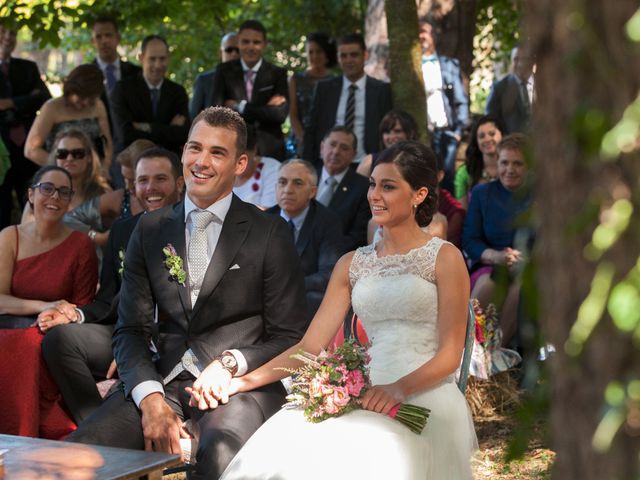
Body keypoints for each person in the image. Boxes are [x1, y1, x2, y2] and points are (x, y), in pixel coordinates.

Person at [67, 106, 309, 479]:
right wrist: (149, 399)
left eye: (217, 152)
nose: (201, 161)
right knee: (78, 456)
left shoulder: (269, 233)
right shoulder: (148, 230)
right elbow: (130, 330)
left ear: (240, 163)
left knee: (218, 460)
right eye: (195, 148)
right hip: (162, 382)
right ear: (183, 153)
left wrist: (231, 363)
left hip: (238, 392)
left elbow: (289, 335)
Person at [220, 140, 477, 480]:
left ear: (418, 195)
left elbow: (449, 356)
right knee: (287, 454)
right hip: (357, 390)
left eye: (388, 186)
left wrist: (397, 389)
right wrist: (245, 381)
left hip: (421, 392)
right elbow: (309, 348)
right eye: (372, 184)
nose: (374, 195)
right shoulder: (352, 263)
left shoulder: (444, 257)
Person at [41, 147, 184, 424]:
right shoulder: (122, 230)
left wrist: (140, 346)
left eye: (160, 179)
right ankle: (95, 424)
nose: (150, 188)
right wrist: (75, 314)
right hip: (124, 332)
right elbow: (108, 299)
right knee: (60, 339)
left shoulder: (192, 227)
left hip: (172, 339)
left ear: (179, 183)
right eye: (142, 180)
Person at [0, 165, 98, 438]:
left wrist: (58, 313)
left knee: (29, 344)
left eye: (63, 192)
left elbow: (83, 306)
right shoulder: (10, 237)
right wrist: (43, 305)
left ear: (70, 201)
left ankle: (24, 431)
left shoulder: (81, 245)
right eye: (47, 189)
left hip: (53, 335)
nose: (54, 197)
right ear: (31, 194)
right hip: (10, 325)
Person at [462, 133, 533, 346]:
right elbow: (470, 240)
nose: (510, 169)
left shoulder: (539, 196)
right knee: (489, 284)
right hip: (490, 262)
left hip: (529, 267)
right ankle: (466, 348)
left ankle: (496, 352)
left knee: (519, 290)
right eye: (504, 163)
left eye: (517, 164)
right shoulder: (482, 193)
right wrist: (497, 256)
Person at [268, 159, 347, 318]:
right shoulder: (265, 219)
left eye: (297, 183)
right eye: (282, 182)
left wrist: (289, 287)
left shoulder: (328, 221)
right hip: (267, 296)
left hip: (304, 297)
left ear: (312, 192)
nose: (288, 190)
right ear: (276, 187)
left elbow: (329, 273)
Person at [303, 32, 393, 165]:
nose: (348, 60)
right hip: (329, 164)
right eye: (343, 56)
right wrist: (308, 164)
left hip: (367, 165)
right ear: (338, 58)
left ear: (365, 55)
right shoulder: (325, 89)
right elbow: (311, 129)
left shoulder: (381, 90)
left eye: (354, 55)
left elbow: (387, 132)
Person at [211, 20, 288, 160]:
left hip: (269, 149)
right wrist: (265, 109)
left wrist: (239, 106)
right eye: (245, 41)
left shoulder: (278, 73)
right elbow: (217, 111)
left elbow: (280, 115)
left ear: (264, 44)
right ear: (238, 42)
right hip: (234, 147)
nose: (250, 47)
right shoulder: (224, 71)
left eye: (256, 42)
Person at [0, 24, 51, 229]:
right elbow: (34, 98)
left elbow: (44, 97)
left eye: (12, 32)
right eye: (2, 32)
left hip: (28, 146)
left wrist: (10, 102)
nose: (7, 37)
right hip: (1, 149)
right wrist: (27, 99)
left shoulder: (28, 68)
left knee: (31, 198)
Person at [21, 129, 111, 244]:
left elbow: (113, 235)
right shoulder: (40, 193)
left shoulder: (102, 192)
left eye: (77, 154)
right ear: (55, 158)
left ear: (89, 157)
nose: (69, 159)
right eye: (62, 154)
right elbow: (27, 236)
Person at [24, 64, 113, 172]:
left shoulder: (98, 106)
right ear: (70, 89)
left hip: (92, 174)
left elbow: (107, 143)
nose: (85, 103)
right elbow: (31, 150)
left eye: (90, 99)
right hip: (60, 173)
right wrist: (64, 167)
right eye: (81, 97)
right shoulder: (51, 108)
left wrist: (104, 167)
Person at [110, 35, 189, 155]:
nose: (157, 65)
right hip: (132, 161)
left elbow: (182, 134)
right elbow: (125, 135)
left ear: (168, 58)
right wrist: (168, 130)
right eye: (152, 59)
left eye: (162, 59)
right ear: (141, 58)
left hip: (168, 160)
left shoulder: (178, 92)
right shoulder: (123, 89)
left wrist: (147, 127)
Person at [89, 15, 142, 187]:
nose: (104, 41)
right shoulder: (84, 75)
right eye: (99, 36)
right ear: (92, 41)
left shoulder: (136, 73)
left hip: (131, 149)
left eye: (108, 35)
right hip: (96, 152)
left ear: (117, 38)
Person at [419, 20, 469, 194]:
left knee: (446, 178)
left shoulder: (448, 64)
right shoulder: (412, 67)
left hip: (447, 132)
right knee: (422, 177)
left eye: (424, 32)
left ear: (433, 36)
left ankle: (449, 219)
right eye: (418, 32)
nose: (421, 36)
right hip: (422, 132)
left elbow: (460, 98)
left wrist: (459, 132)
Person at [315, 126, 370, 249]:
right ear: (322, 148)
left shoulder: (364, 188)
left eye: (344, 148)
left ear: (353, 155)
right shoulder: (306, 178)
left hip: (337, 257)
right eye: (332, 144)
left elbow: (358, 237)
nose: (336, 152)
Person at [288, 32, 336, 156]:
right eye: (311, 52)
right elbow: (292, 115)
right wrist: (305, 140)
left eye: (318, 51)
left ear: (326, 53)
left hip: (329, 143)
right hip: (300, 142)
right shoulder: (295, 79)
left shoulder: (335, 81)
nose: (314, 56)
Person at [454, 115, 503, 209]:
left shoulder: (513, 168)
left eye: (492, 134)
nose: (487, 139)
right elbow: (462, 213)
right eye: (481, 136)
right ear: (476, 141)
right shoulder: (464, 173)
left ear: (502, 134)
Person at [485, 46, 535, 135]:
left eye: (524, 59)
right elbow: (490, 122)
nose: (520, 64)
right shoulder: (499, 88)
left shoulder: (545, 86)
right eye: (515, 59)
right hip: (510, 145)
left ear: (532, 61)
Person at [356, 109, 419, 177]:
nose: (391, 137)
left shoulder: (421, 161)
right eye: (387, 132)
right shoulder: (369, 162)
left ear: (411, 133)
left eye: (397, 131)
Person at [190, 32, 239, 119]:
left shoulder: (249, 79)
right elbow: (194, 115)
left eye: (238, 50)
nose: (234, 54)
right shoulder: (204, 80)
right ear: (221, 52)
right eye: (229, 50)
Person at [232, 124, 279, 209]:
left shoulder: (272, 169)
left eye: (242, 159)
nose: (237, 165)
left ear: (254, 150)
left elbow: (268, 213)